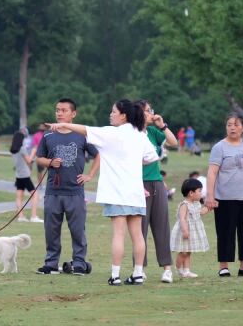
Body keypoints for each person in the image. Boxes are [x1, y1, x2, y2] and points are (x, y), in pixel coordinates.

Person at [47, 99, 159, 286]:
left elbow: (85, 130)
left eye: (113, 112)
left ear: (123, 115)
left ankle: (115, 276)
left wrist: (63, 124)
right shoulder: (140, 135)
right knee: (138, 235)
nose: (111, 114)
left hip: (117, 192)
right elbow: (152, 157)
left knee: (118, 234)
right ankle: (138, 273)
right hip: (136, 192)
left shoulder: (111, 133)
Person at [35, 98, 100, 275]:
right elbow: (38, 157)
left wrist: (90, 175)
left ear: (73, 114)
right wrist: (50, 161)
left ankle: (79, 262)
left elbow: (97, 155)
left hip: (75, 191)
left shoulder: (82, 135)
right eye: (57, 110)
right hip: (53, 191)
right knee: (51, 229)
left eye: (64, 110)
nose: (59, 113)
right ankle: (51, 263)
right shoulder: (48, 135)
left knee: (78, 229)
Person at [206, 113, 243, 277]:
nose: (232, 127)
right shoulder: (219, 147)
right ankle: (224, 266)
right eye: (229, 124)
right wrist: (210, 195)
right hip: (225, 197)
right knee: (225, 232)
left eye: (236, 125)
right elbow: (212, 172)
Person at [137, 100, 178, 283]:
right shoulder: (131, 134)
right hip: (138, 184)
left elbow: (173, 142)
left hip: (157, 183)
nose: (150, 113)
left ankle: (167, 268)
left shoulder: (153, 132)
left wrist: (163, 125)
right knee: (140, 228)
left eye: (150, 110)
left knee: (161, 226)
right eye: (147, 111)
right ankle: (140, 267)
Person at [170, 178, 210, 278]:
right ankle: (179, 268)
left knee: (188, 251)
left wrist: (210, 207)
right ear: (191, 193)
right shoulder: (184, 205)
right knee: (183, 252)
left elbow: (201, 212)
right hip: (185, 231)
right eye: (199, 191)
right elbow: (182, 219)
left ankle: (187, 270)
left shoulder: (196, 203)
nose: (201, 193)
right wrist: (185, 231)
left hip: (193, 231)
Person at [10, 131, 42, 223]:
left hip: (18, 175)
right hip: (25, 175)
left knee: (19, 196)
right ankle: (33, 216)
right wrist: (33, 152)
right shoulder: (22, 149)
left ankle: (21, 216)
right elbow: (29, 161)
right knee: (35, 195)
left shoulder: (13, 149)